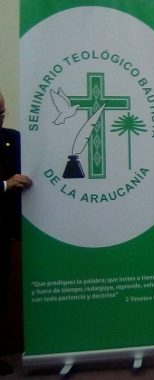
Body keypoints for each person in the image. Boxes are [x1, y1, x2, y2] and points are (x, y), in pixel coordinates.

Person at [0, 90, 33, 376]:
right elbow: (7, 182)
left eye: (2, 113)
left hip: (8, 229)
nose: (1, 119)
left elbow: (29, 166)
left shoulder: (14, 137)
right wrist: (5, 185)